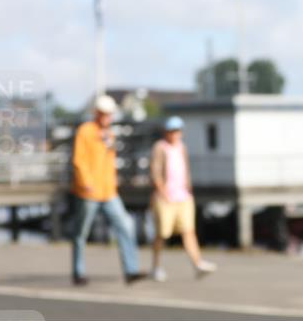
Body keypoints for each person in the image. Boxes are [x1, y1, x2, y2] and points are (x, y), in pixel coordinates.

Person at [69, 95, 146, 285]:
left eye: (110, 114)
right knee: (81, 233)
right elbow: (79, 160)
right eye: (104, 114)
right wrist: (86, 182)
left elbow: (110, 162)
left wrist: (114, 183)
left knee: (125, 226)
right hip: (89, 192)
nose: (107, 117)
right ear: (96, 113)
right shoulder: (85, 131)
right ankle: (78, 272)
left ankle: (131, 270)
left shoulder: (109, 134)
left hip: (109, 192)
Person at [149, 116, 217, 281]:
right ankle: (156, 266)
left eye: (177, 131)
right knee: (162, 234)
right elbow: (155, 171)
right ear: (166, 132)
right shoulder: (160, 147)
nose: (175, 134)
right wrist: (162, 192)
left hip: (183, 196)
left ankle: (197, 263)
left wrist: (188, 188)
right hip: (166, 198)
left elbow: (185, 169)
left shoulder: (182, 147)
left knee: (188, 231)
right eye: (172, 131)